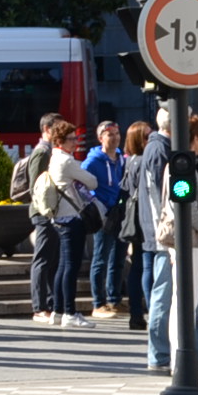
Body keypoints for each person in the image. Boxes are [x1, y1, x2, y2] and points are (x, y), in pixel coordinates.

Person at [138, 105, 198, 373]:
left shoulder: (182, 165)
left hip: (190, 242)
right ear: (194, 139)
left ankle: (181, 360)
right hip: (190, 242)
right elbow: (182, 207)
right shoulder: (180, 166)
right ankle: (180, 361)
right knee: (183, 303)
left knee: (184, 302)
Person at [31, 119, 98, 328]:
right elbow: (92, 181)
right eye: (71, 139)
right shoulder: (67, 161)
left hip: (58, 218)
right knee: (71, 267)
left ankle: (58, 311)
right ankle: (69, 311)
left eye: (75, 138)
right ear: (60, 141)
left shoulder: (54, 158)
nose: (75, 143)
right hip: (71, 219)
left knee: (62, 266)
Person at [14, 113, 62, 324]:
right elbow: (37, 186)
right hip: (43, 213)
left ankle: (50, 304)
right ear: (47, 129)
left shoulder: (51, 151)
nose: (62, 132)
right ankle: (39, 307)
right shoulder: (42, 152)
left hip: (52, 212)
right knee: (42, 260)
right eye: (58, 128)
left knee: (52, 260)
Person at [85, 121, 127, 319]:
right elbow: (81, 185)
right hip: (104, 216)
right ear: (101, 137)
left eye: (117, 134)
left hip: (120, 214)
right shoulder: (93, 161)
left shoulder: (121, 159)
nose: (115, 138)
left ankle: (114, 299)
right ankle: (98, 303)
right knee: (100, 258)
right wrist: (97, 204)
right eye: (110, 134)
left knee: (118, 258)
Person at [120, 121, 152, 331]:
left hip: (134, 217)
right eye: (147, 136)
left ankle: (136, 313)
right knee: (144, 264)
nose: (151, 140)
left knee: (138, 265)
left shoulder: (130, 161)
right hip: (144, 217)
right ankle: (146, 309)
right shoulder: (142, 161)